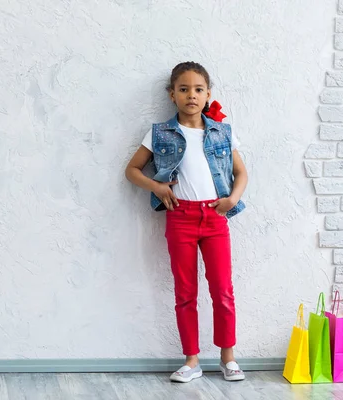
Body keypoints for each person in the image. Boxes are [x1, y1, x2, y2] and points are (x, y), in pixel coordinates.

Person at [125, 62, 248, 382]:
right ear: (172, 95)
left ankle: (228, 357)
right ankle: (192, 361)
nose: (190, 95)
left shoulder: (223, 131)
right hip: (180, 218)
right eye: (183, 89)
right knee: (185, 291)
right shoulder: (160, 133)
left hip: (214, 217)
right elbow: (133, 170)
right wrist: (157, 187)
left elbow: (241, 172)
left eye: (197, 89)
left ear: (208, 95)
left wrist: (232, 199)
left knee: (222, 290)